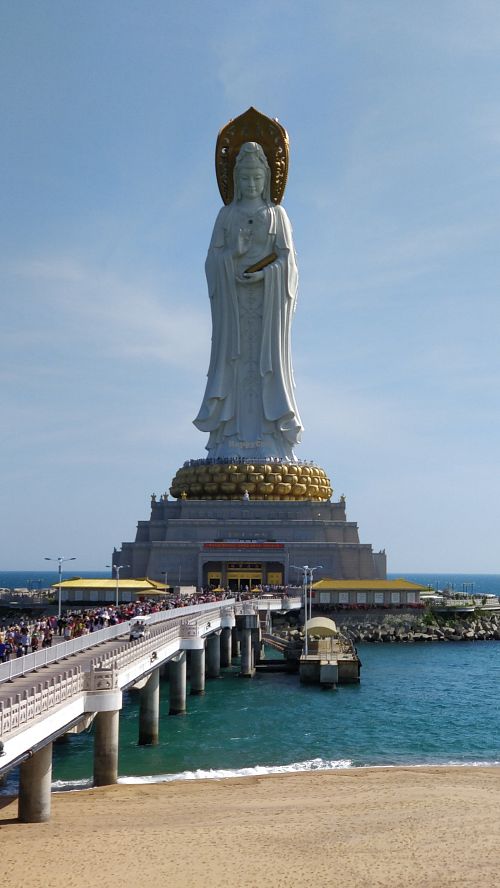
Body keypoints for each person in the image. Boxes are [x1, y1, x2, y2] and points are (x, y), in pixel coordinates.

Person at [194, 141, 303, 461]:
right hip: (235, 308)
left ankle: (271, 437)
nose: (251, 185)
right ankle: (229, 439)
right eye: (244, 179)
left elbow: (289, 263)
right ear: (235, 181)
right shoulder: (226, 215)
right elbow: (212, 264)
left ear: (267, 179)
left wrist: (268, 274)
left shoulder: (277, 215)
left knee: (267, 365)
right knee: (236, 363)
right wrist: (233, 255)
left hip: (268, 309)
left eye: (256, 178)